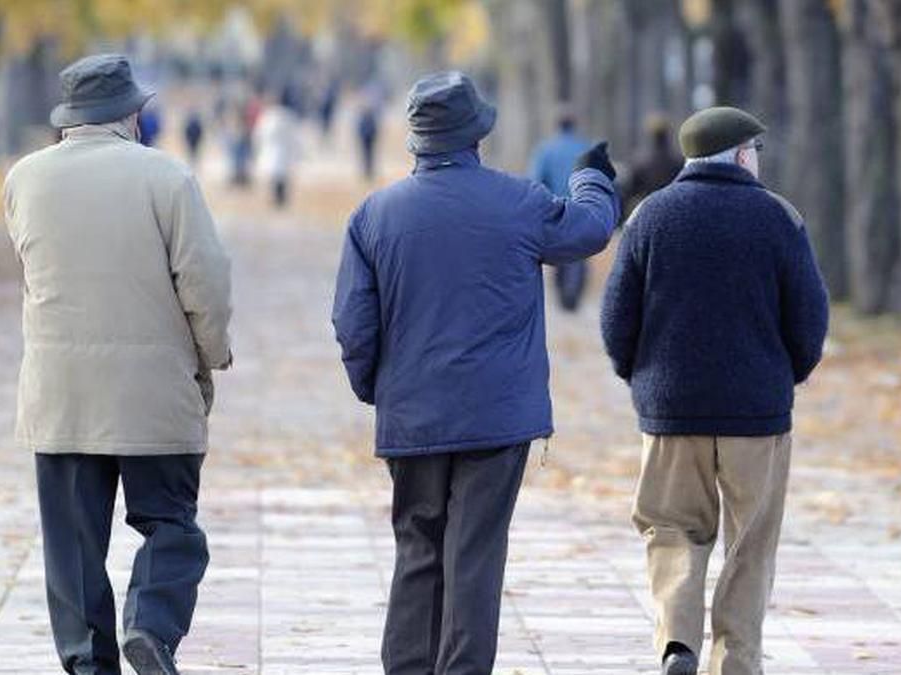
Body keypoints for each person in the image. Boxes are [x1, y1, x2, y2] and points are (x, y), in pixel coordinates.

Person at [332, 71, 619, 675]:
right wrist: (591, 178)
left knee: (417, 546)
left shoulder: (373, 217)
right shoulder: (518, 203)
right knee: (475, 554)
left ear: (416, 141)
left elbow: (353, 326)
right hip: (497, 416)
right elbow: (589, 229)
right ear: (476, 138)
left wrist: (380, 389)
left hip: (412, 414)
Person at [3, 54, 233, 675]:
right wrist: (213, 356)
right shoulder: (167, 179)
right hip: (154, 391)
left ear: (70, 117)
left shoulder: (22, 180)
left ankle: (88, 664)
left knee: (74, 549)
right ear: (131, 114)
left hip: (62, 397)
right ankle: (150, 626)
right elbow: (205, 284)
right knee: (172, 527)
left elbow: (31, 272)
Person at [600, 107, 828, 675]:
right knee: (750, 543)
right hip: (757, 413)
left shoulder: (650, 216)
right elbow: (809, 318)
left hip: (671, 411)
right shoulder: (778, 218)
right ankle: (737, 662)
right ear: (743, 155)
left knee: (671, 527)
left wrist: (644, 379)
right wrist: (784, 376)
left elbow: (615, 319)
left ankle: (678, 643)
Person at [529, 108, 593, 312]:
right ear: (574, 125)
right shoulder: (585, 147)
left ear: (558, 125)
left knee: (559, 251)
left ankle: (563, 295)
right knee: (579, 254)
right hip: (582, 207)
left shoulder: (546, 149)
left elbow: (536, 180)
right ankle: (573, 295)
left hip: (555, 208)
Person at [622, 113, 684, 219]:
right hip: (675, 213)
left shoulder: (640, 162)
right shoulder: (679, 161)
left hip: (649, 214)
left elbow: (630, 193)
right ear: (668, 133)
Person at [254, 90, 301, 208]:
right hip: (283, 152)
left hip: (272, 151)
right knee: (282, 179)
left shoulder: (268, 116)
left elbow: (259, 134)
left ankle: (276, 200)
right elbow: (294, 137)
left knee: (275, 178)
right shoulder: (288, 116)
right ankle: (280, 201)